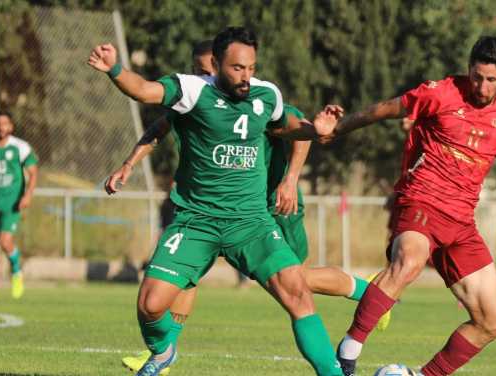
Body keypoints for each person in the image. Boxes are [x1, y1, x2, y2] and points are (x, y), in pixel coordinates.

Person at [318, 36, 496, 376]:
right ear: (468, 68)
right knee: (409, 261)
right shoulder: (440, 93)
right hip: (421, 200)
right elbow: (382, 109)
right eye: (476, 76)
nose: (481, 87)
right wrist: (337, 129)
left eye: (491, 80)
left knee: (493, 320)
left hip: (460, 222)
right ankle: (347, 355)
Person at [108, 38, 384, 375]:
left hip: (257, 217)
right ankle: (163, 352)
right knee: (151, 304)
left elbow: (294, 126)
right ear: (217, 64)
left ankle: (357, 328)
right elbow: (144, 93)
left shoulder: (266, 95)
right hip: (198, 220)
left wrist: (312, 141)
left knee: (298, 287)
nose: (245, 76)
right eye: (238, 68)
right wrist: (114, 69)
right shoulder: (192, 92)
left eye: (251, 68)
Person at [0, 111, 38, 300]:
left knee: (5, 242)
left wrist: (28, 195)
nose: (1, 127)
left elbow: (33, 172)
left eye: (5, 124)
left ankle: (17, 271)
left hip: (11, 204)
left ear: (11, 127)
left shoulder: (20, 147)